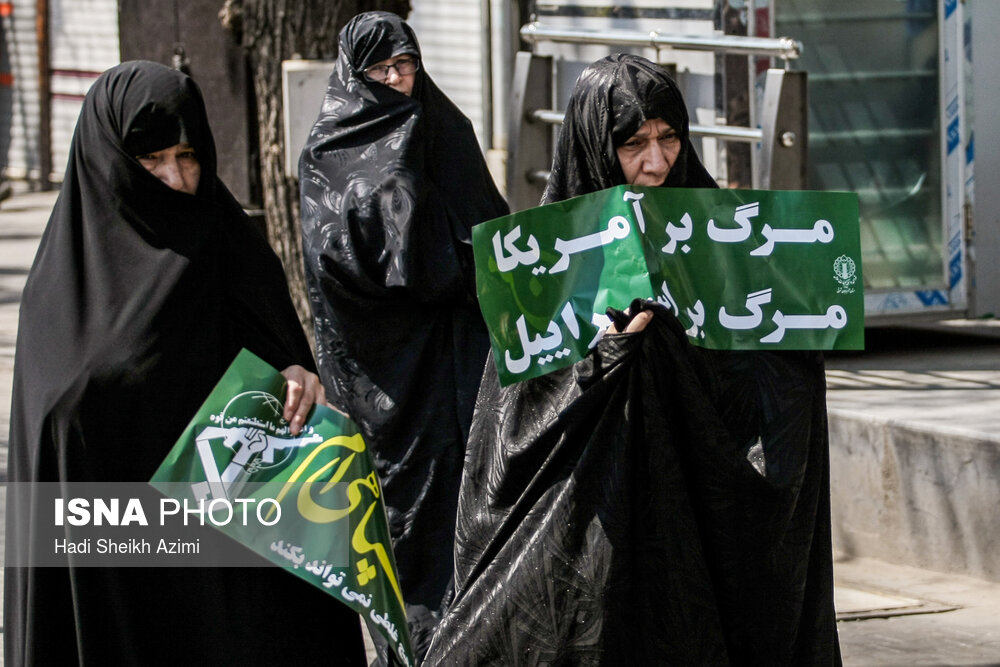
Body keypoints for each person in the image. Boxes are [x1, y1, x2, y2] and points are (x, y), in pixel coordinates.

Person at [424, 54, 842, 665]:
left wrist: (793, 345)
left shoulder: (724, 235)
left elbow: (765, 386)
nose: (656, 162)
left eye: (669, 138)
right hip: (597, 526)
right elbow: (514, 432)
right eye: (633, 144)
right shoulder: (545, 257)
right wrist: (605, 361)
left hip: (698, 518)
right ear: (596, 145)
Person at [4, 60, 367, 665]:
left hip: (226, 558)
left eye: (188, 156)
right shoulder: (65, 284)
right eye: (151, 161)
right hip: (113, 561)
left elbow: (284, 359)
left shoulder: (229, 245)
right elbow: (55, 429)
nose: (176, 178)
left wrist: (297, 377)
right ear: (111, 161)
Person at [298, 11, 510, 658]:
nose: (397, 80)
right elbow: (344, 269)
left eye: (405, 65)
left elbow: (491, 238)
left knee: (481, 524)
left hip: (468, 373)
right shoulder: (327, 155)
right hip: (388, 390)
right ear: (354, 77)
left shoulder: (446, 131)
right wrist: (401, 201)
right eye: (381, 70)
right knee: (409, 539)